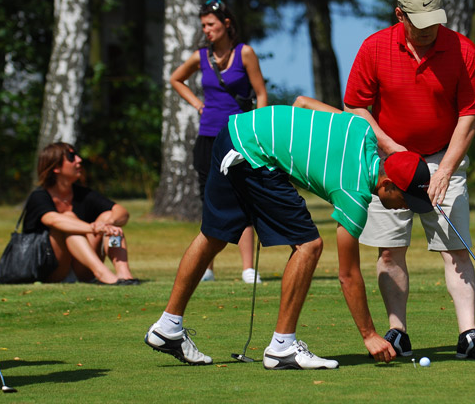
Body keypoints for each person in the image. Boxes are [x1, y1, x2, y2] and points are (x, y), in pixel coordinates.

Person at [144, 104, 434, 368]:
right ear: (387, 184)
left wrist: (287, 148)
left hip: (235, 132)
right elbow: (348, 275)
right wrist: (369, 335)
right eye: (406, 199)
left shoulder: (362, 129)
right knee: (309, 245)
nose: (406, 207)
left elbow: (302, 102)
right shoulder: (353, 193)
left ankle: (168, 326)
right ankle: (282, 347)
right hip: (254, 154)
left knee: (213, 235)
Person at [343, 0, 475, 360]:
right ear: (400, 15)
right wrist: (390, 148)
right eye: (420, 23)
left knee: (455, 249)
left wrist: (444, 169)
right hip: (389, 163)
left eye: (434, 21)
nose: (429, 30)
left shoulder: (462, 50)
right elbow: (355, 106)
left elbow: (470, 115)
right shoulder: (375, 47)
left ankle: (468, 335)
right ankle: (398, 332)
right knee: (390, 251)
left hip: (443, 158)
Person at [170, 0, 268, 284]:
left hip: (238, 136)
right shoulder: (201, 56)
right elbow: (176, 79)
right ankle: (208, 268)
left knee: (242, 197)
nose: (207, 30)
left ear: (226, 24)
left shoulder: (245, 53)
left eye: (211, 24)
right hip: (208, 136)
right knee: (209, 200)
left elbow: (260, 93)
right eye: (203, 26)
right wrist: (198, 105)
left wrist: (258, 128)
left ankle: (248, 269)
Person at [23, 142, 139, 285]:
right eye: (71, 157)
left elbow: (122, 212)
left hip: (82, 269)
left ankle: (124, 274)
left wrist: (109, 224)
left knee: (109, 218)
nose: (79, 160)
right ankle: (102, 273)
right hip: (49, 268)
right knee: (68, 218)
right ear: (56, 168)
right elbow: (52, 220)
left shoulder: (83, 193)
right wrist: (94, 228)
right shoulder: (39, 196)